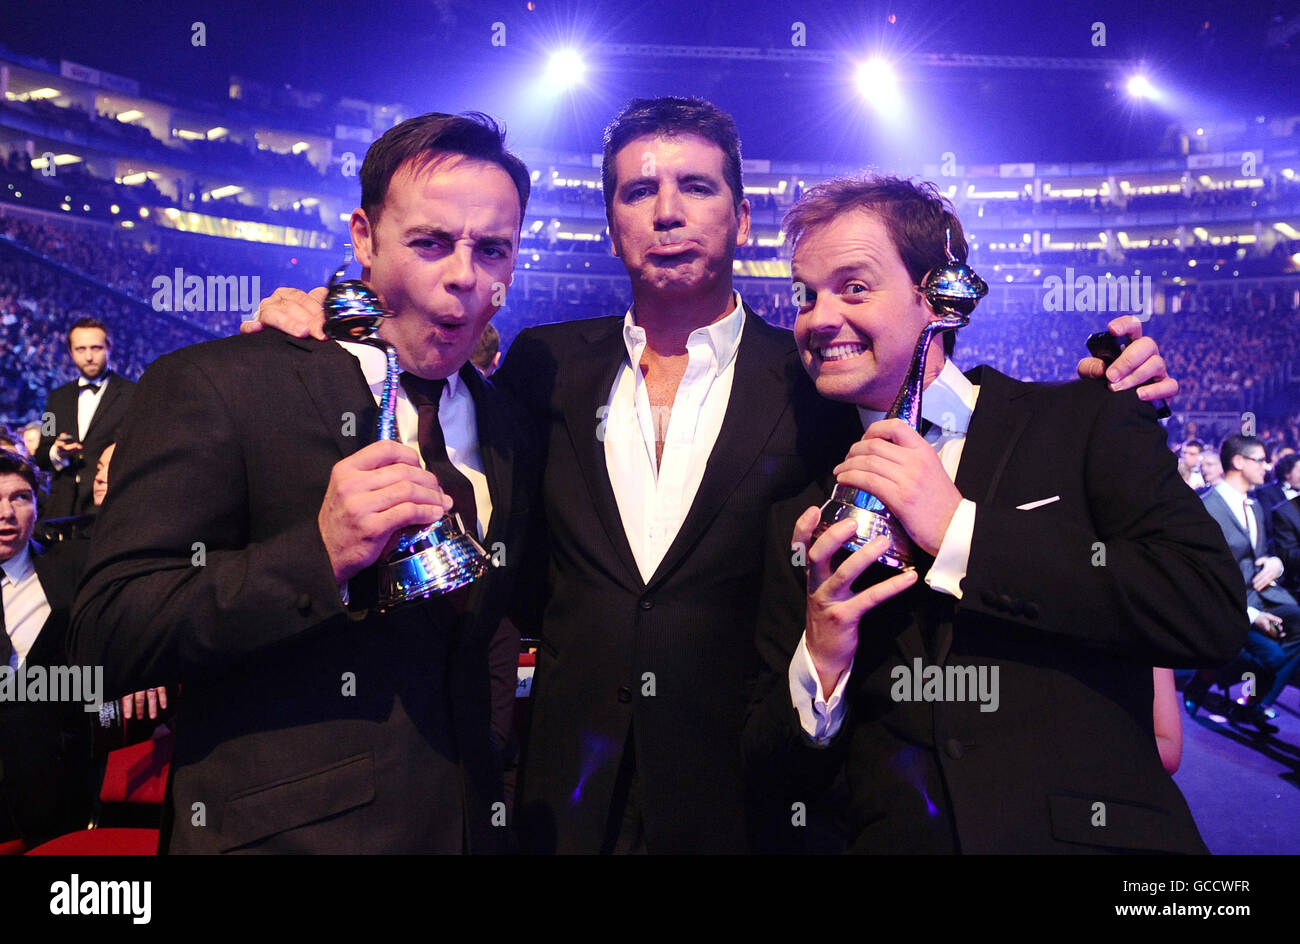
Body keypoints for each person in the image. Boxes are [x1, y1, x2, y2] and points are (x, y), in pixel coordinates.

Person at [250, 99, 1178, 854]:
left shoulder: (817, 376)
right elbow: (434, 414)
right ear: (610, 222)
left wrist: (1104, 392)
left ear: (739, 217)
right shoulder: (540, 367)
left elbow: (951, 409)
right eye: (636, 191)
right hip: (561, 803)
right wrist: (328, 323)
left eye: (695, 187)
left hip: (754, 798)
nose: (664, 210)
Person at [71, 112, 539, 853]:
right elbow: (105, 633)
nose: (463, 274)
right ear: (364, 238)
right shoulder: (217, 384)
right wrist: (316, 555)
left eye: (493, 249)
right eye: (430, 242)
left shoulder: (508, 420)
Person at [743, 175, 1245, 854]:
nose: (817, 316)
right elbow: (773, 772)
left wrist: (960, 532)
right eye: (806, 294)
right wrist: (822, 661)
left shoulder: (1085, 418)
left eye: (853, 287)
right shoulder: (801, 514)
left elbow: (1207, 611)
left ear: (939, 295)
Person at [0, 450, 94, 847]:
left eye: (19, 498)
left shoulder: (74, 565)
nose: (6, 513)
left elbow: (122, 628)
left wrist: (139, 677)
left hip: (53, 769)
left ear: (38, 506)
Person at [1200, 434, 1300, 729]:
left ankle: (1252, 701)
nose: (1267, 467)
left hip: (1257, 595)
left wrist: (1276, 563)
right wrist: (1253, 616)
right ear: (1238, 462)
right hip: (1222, 605)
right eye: (1261, 460)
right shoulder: (1207, 509)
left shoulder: (1255, 507)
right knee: (1273, 656)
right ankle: (1212, 673)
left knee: (1295, 623)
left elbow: (1266, 553)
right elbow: (1204, 577)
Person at [34, 318, 135, 520]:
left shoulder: (133, 394)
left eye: (96, 348)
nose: (89, 356)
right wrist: (57, 452)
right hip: (60, 508)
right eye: (80, 349)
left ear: (109, 348)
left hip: (108, 508)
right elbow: (41, 455)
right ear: (71, 353)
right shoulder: (57, 397)